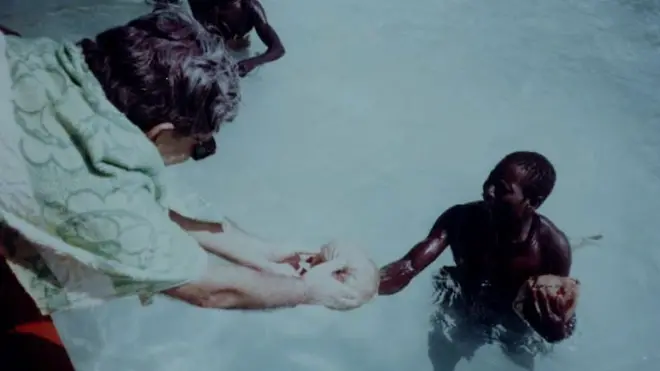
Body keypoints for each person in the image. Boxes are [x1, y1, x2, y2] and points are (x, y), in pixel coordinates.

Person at [1, 5, 371, 332]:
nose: (203, 152)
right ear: (162, 133)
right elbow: (210, 290)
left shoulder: (31, 55)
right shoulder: (98, 200)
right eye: (201, 145)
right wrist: (309, 291)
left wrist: (260, 250)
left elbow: (138, 203)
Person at [378, 151, 577, 371]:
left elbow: (562, 317)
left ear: (533, 202)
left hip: (514, 318)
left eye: (502, 189)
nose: (488, 192)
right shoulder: (461, 219)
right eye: (490, 180)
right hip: (461, 298)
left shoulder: (552, 249)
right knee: (442, 357)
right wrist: (367, 283)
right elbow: (409, 266)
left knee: (519, 359)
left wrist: (555, 330)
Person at [185, 0, 286, 76]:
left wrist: (253, 62)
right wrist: (228, 44)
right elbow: (203, 44)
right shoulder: (207, 9)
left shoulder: (251, 8)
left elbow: (278, 48)